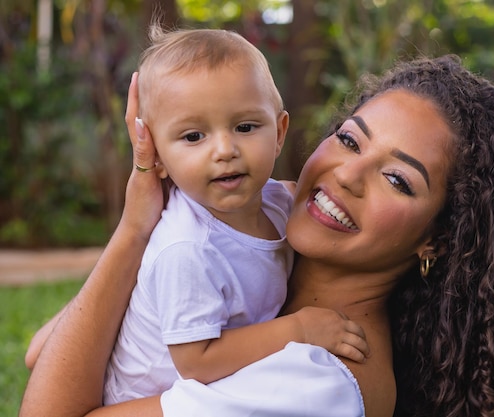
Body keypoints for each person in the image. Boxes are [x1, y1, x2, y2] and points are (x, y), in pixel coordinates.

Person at [20, 54, 494, 417]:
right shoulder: (246, 260)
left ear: (439, 240)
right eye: (349, 140)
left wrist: (131, 234)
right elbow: (43, 348)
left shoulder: (313, 384)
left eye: (397, 179)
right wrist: (143, 222)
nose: (344, 175)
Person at [109, 25, 370, 404]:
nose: (225, 149)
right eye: (193, 136)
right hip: (141, 400)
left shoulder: (281, 205)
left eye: (245, 127)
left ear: (279, 133)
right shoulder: (187, 247)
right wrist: (298, 329)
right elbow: (197, 362)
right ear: (157, 157)